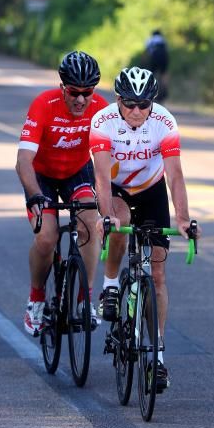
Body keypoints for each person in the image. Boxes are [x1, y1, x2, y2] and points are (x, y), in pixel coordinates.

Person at [89, 66, 201, 390]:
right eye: (129, 103)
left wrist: (182, 217)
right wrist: (106, 215)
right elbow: (100, 177)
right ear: (118, 100)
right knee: (120, 223)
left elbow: (175, 175)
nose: (136, 111)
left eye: (143, 104)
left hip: (150, 191)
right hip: (116, 188)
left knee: (159, 274)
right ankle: (110, 285)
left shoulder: (164, 122)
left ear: (152, 102)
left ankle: (158, 357)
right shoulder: (103, 122)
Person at [16, 50, 109, 337]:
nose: (81, 99)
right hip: (41, 176)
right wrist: (34, 195)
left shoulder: (101, 108)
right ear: (62, 88)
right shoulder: (44, 105)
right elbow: (23, 161)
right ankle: (36, 300)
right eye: (74, 92)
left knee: (90, 225)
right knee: (46, 238)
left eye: (88, 92)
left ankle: (84, 301)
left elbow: (112, 157)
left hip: (77, 172)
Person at [145, 29, 169, 102]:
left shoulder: (150, 40)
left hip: (155, 57)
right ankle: (165, 90)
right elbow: (167, 50)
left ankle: (151, 91)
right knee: (163, 74)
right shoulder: (163, 40)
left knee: (152, 74)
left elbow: (147, 51)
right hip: (164, 57)